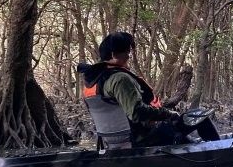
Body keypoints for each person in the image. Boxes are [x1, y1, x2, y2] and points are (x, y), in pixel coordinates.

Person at [79, 31, 220, 148]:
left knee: (180, 129)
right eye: (127, 51)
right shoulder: (120, 79)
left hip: (112, 142)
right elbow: (137, 112)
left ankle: (191, 144)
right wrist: (168, 114)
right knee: (200, 115)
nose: (129, 54)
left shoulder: (92, 81)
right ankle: (219, 149)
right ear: (115, 54)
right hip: (141, 139)